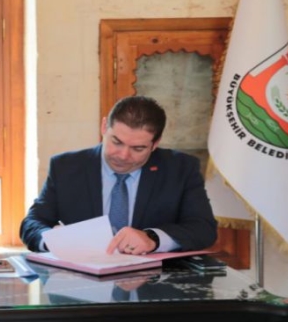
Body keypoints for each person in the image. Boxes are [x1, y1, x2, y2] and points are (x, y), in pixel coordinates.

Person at [20, 95, 217, 255]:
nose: (123, 156)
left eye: (138, 148)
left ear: (155, 144)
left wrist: (153, 238)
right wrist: (55, 240)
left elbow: (203, 228)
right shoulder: (66, 167)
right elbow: (32, 223)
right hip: (83, 285)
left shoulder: (180, 169)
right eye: (117, 142)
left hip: (154, 285)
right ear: (104, 127)